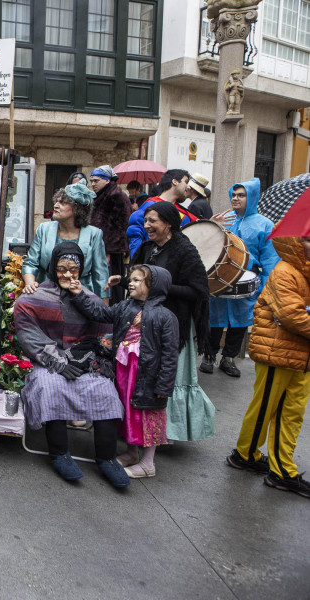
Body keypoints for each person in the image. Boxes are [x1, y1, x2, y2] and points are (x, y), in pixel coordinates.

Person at [13, 242, 129, 487]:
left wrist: (79, 297)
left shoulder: (91, 298)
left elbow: (104, 329)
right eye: (62, 268)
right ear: (53, 268)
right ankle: (59, 453)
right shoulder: (34, 297)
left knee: (104, 391)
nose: (67, 274)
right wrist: (57, 362)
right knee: (49, 385)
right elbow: (28, 333)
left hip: (85, 360)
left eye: (73, 269)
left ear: (81, 270)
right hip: (48, 360)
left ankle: (107, 458)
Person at [118, 201, 215, 442]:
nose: (147, 225)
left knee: (166, 377)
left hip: (172, 324)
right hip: (144, 319)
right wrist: (121, 280)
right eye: (146, 220)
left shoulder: (184, 250)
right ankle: (137, 426)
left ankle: (167, 431)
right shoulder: (147, 247)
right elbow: (137, 278)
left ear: (169, 224)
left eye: (153, 221)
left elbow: (198, 290)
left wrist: (162, 287)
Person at [71, 264, 179, 479]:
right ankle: (131, 453)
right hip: (124, 371)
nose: (131, 283)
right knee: (128, 412)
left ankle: (148, 463)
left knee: (147, 415)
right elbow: (99, 312)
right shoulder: (125, 307)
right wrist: (79, 293)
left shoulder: (166, 317)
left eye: (138, 280)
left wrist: (164, 385)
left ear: (154, 286)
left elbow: (170, 355)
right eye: (132, 279)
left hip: (147, 376)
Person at [227, 236, 310, 497]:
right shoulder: (285, 271)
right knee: (265, 408)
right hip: (278, 352)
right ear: (298, 242)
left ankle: (282, 469)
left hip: (301, 357)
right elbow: (292, 315)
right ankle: (246, 454)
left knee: (291, 414)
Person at [203, 178, 279, 377]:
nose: (235, 199)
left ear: (251, 197)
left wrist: (264, 286)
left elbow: (270, 258)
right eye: (233, 195)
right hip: (219, 278)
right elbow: (207, 244)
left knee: (240, 320)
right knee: (215, 318)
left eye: (241, 195)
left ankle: (229, 358)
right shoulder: (225, 219)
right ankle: (209, 356)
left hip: (247, 281)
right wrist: (213, 227)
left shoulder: (265, 225)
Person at [23, 182, 108, 299]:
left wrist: (103, 307)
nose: (56, 206)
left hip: (81, 296)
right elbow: (31, 263)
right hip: (47, 294)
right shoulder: (44, 229)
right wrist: (30, 283)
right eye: (56, 201)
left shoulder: (94, 234)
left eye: (62, 203)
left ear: (77, 208)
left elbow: (100, 275)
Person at [89, 166, 132, 305]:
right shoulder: (102, 195)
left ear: (107, 180)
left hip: (110, 251)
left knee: (111, 283)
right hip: (101, 247)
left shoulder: (116, 196)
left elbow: (120, 227)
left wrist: (109, 252)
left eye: (96, 180)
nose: (93, 184)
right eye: (91, 181)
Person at [127, 169, 195, 257]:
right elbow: (135, 235)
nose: (188, 187)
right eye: (186, 182)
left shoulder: (184, 214)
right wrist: (139, 262)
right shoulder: (150, 205)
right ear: (175, 182)